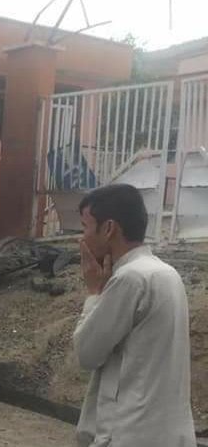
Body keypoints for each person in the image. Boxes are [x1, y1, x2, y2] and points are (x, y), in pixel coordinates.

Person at [74, 184, 196, 447]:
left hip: (129, 434)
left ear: (108, 228)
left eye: (85, 227)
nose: (81, 239)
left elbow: (87, 353)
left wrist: (94, 293)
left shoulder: (130, 279)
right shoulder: (166, 274)